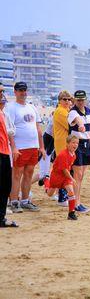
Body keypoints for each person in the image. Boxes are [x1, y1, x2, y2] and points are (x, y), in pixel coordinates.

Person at [7, 82, 45, 212]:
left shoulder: (32, 107)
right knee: (17, 174)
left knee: (29, 173)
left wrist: (41, 146)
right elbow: (9, 130)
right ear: (15, 92)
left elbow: (38, 128)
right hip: (20, 147)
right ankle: (14, 202)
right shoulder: (11, 107)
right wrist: (14, 147)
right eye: (20, 90)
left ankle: (25, 200)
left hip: (33, 146)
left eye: (24, 90)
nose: (23, 93)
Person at [68, 90, 90, 213]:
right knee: (77, 175)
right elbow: (78, 120)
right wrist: (81, 125)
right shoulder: (72, 112)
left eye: (82, 99)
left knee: (81, 175)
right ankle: (76, 203)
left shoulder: (88, 111)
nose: (80, 102)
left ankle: (77, 201)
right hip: (77, 145)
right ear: (75, 100)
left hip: (86, 143)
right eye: (78, 100)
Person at [45, 135, 79, 220]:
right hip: (57, 176)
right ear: (67, 144)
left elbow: (67, 169)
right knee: (49, 194)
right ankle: (46, 181)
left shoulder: (73, 154)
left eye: (77, 143)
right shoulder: (63, 155)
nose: (75, 145)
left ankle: (71, 213)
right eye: (73, 142)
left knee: (71, 192)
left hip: (65, 177)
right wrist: (72, 178)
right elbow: (65, 170)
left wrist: (70, 179)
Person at [0, 84, 18, 227]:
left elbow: (11, 131)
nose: (2, 94)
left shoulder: (3, 113)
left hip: (5, 152)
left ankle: (1, 218)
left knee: (6, 186)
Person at [53, 90, 72, 205]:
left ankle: (60, 195)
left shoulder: (65, 110)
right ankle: (62, 197)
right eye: (64, 99)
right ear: (60, 100)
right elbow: (70, 125)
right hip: (62, 144)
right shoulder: (61, 111)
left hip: (64, 143)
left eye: (69, 99)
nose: (67, 101)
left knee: (64, 170)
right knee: (64, 170)